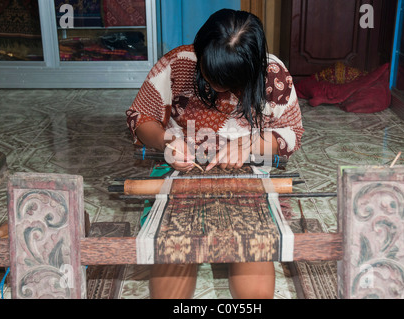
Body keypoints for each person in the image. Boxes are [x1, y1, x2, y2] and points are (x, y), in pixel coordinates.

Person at [126, 9, 304, 299]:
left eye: (229, 80)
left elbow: (292, 133)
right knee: (175, 246)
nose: (217, 87)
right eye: (210, 74)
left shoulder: (273, 75)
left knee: (253, 247)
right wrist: (166, 140)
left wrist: (255, 143)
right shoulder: (178, 63)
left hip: (248, 173)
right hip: (181, 169)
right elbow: (140, 116)